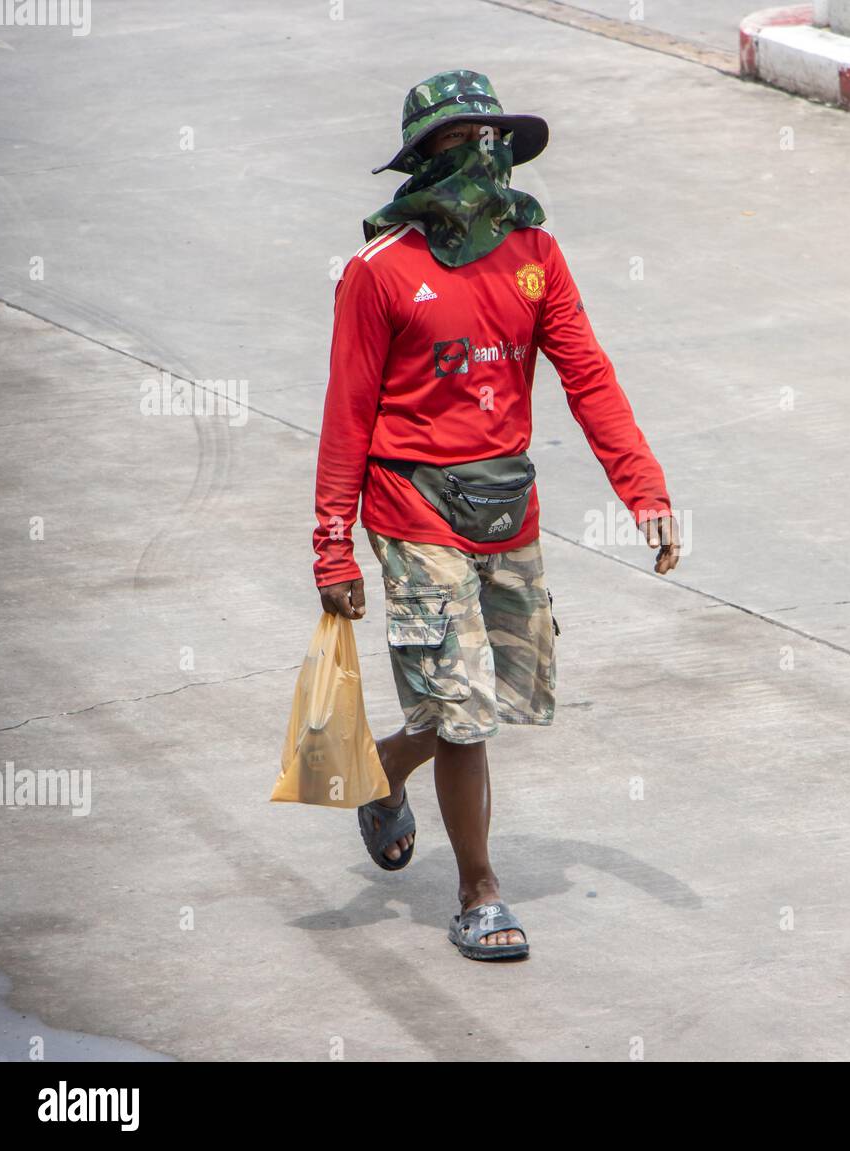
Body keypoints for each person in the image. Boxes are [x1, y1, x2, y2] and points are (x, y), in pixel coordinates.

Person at [312, 70, 681, 961]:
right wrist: (333, 548)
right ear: (429, 159)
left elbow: (588, 376)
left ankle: (385, 769)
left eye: (494, 140)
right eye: (463, 142)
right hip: (411, 511)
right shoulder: (378, 273)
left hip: (506, 505)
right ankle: (479, 891)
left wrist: (647, 492)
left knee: (482, 696)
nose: (486, 158)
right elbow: (346, 413)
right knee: (466, 709)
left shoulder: (535, 257)